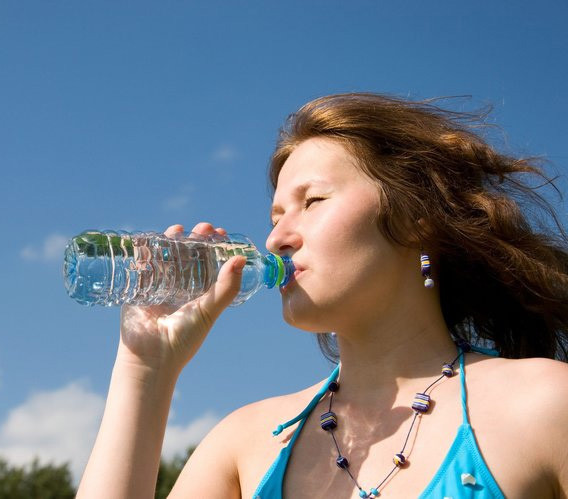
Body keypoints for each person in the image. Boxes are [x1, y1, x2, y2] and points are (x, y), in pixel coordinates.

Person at [76, 93, 568, 498]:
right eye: (274, 218)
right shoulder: (245, 444)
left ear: (416, 216)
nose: (276, 239)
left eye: (311, 202)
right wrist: (146, 371)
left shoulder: (544, 405)